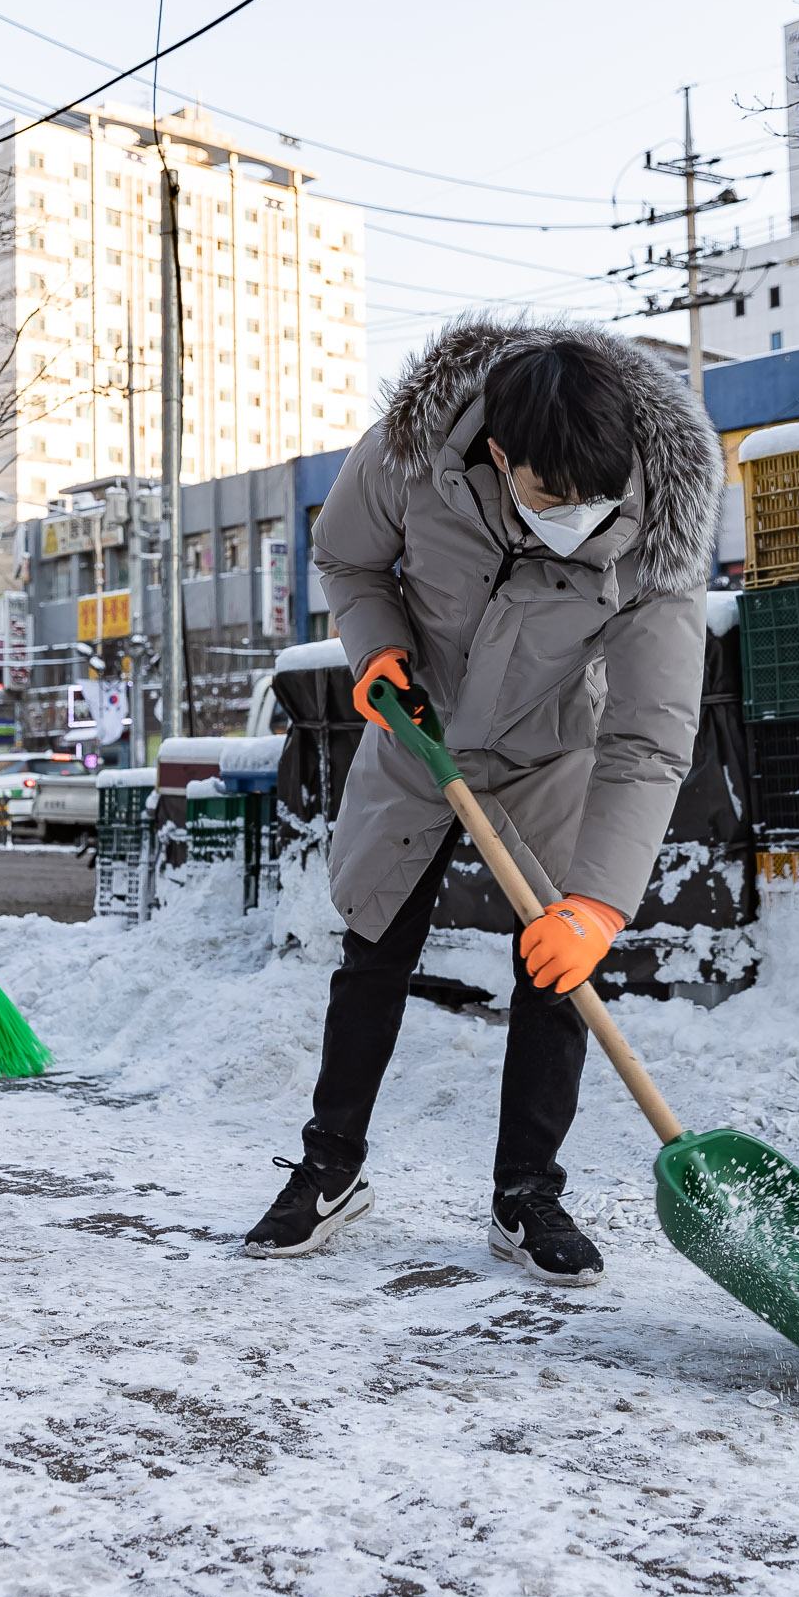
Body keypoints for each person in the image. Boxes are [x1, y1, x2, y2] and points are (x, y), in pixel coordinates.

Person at [243, 317, 716, 1285]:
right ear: (500, 454)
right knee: (375, 943)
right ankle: (330, 1164)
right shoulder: (409, 453)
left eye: (595, 496)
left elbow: (650, 731)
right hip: (419, 724)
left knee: (558, 966)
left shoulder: (658, 530)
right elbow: (350, 562)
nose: (575, 513)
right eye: (550, 493)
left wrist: (597, 904)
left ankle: (527, 1192)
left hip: (553, 745)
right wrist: (376, 651)